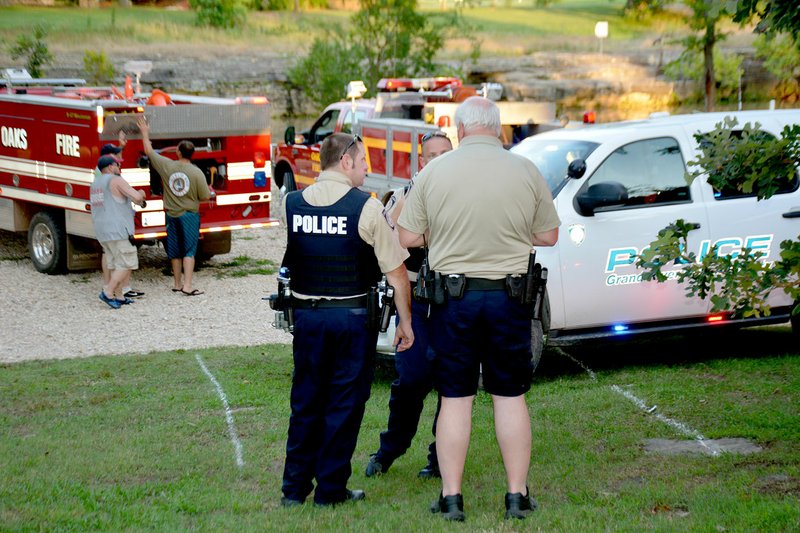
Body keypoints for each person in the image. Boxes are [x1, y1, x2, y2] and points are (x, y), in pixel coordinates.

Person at [397, 96, 560, 521]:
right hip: (509, 299)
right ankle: (516, 496)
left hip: (453, 301)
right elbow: (549, 236)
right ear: (499, 129)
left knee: (455, 398)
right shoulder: (525, 169)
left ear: (461, 130)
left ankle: (451, 498)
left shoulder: (435, 171)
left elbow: (407, 237)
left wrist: (444, 231)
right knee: (510, 397)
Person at [280, 132, 414, 508]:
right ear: (346, 162)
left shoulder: (291, 203)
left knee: (305, 400)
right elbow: (397, 272)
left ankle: (293, 490)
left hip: (306, 319)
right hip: (351, 321)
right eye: (363, 163)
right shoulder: (366, 207)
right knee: (343, 404)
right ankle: (330, 491)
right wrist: (406, 322)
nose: (366, 170)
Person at [365, 130, 453, 480]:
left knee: (452, 384)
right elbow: (390, 235)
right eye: (433, 155)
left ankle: (440, 457)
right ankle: (390, 449)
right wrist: (419, 189)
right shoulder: (404, 194)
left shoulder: (463, 196)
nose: (440, 160)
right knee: (411, 379)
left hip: (453, 301)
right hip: (416, 303)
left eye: (447, 153)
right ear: (421, 161)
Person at [136, 116, 213, 296]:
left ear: (178, 152)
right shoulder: (197, 173)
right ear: (192, 153)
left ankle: (177, 283)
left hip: (171, 214)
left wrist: (145, 132)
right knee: (189, 251)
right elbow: (205, 196)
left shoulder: (167, 166)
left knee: (174, 250)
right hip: (189, 215)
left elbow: (148, 151)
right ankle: (188, 285)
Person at [90, 155, 146, 309]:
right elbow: (135, 197)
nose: (119, 167)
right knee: (126, 263)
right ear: (109, 167)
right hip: (118, 230)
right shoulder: (116, 180)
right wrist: (141, 193)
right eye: (117, 165)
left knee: (114, 263)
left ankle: (119, 296)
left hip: (102, 231)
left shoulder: (95, 184)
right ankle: (108, 292)